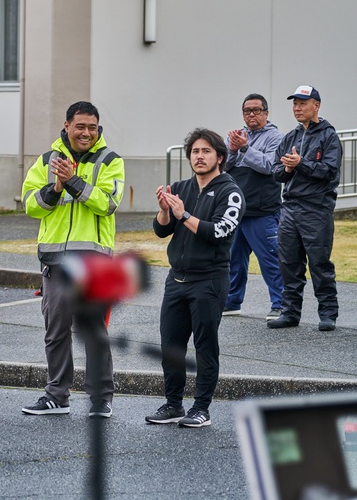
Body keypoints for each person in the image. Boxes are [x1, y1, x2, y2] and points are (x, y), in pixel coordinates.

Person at [19, 101, 124, 418]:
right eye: (80, 126)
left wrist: (74, 182)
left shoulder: (110, 160)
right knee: (56, 331)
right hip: (55, 261)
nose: (86, 133)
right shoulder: (46, 160)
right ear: (66, 126)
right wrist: (56, 187)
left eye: (92, 127)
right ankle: (57, 396)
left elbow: (107, 203)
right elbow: (30, 204)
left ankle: (101, 399)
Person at [147, 128, 243, 429]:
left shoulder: (231, 191)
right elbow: (162, 230)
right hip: (177, 279)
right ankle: (173, 404)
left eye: (206, 151)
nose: (199, 157)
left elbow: (219, 232)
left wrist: (184, 214)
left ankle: (201, 408)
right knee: (171, 345)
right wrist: (165, 212)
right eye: (195, 152)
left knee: (205, 346)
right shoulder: (182, 188)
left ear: (220, 157)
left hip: (209, 280)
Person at [268, 86, 342, 332]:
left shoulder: (329, 136)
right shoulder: (290, 137)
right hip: (289, 208)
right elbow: (277, 173)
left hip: (316, 209)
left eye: (303, 103)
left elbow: (329, 173)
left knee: (320, 263)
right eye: (295, 104)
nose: (297, 108)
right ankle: (290, 313)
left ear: (316, 106)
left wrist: (301, 163)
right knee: (289, 263)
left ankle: (328, 314)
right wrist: (288, 169)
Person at [224, 94, 285, 320]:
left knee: (270, 259)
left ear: (266, 113)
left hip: (262, 210)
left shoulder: (277, 137)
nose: (251, 114)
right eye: (247, 110)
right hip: (237, 209)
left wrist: (244, 149)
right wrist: (231, 148)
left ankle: (280, 304)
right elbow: (224, 166)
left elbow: (270, 166)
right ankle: (231, 302)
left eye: (257, 110)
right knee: (233, 260)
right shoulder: (236, 136)